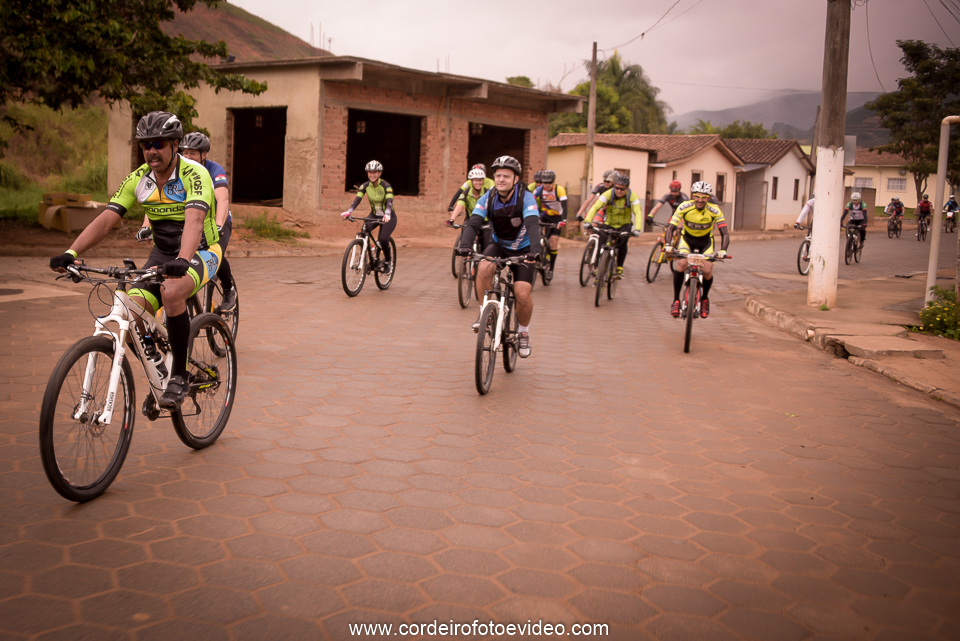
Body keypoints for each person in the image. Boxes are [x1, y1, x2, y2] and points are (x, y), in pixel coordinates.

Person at [50, 111, 219, 409]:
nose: (151, 151)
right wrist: (72, 253)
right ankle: (156, 364)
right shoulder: (139, 179)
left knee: (172, 292)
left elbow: (194, 221)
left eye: (158, 144)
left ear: (175, 145)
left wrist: (183, 258)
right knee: (130, 312)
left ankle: (179, 376)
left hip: (201, 251)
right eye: (145, 145)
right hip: (162, 255)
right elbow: (106, 219)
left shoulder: (195, 174)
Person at [137, 132, 237, 311]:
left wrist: (219, 223)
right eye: (185, 152)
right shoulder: (178, 169)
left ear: (204, 154)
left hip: (216, 218)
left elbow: (222, 199)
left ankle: (228, 288)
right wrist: (146, 225)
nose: (188, 156)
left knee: (215, 250)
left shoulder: (214, 170)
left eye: (193, 153)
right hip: (190, 217)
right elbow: (157, 202)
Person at [457, 155, 540, 358]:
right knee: (483, 268)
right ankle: (484, 312)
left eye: (506, 176)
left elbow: (532, 225)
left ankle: (523, 333)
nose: (501, 179)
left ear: (516, 179)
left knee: (522, 295)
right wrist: (465, 245)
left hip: (524, 250)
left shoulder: (526, 197)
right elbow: (474, 223)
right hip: (499, 245)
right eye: (498, 175)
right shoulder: (489, 197)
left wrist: (535, 250)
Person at [663, 181, 729, 319]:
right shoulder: (684, 206)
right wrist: (668, 244)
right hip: (687, 240)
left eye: (704, 197)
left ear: (709, 198)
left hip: (706, 242)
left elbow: (725, 233)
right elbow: (671, 228)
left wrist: (723, 250)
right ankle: (676, 300)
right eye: (697, 196)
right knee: (681, 264)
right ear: (693, 195)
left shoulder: (715, 210)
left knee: (707, 269)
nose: (700, 200)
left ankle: (704, 298)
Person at [583, 172, 642, 277]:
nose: (619, 191)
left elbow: (637, 212)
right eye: (617, 188)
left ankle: (619, 267)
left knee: (623, 242)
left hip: (624, 224)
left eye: (622, 189)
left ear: (627, 188)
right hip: (609, 223)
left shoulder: (632, 196)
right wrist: (587, 221)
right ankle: (598, 266)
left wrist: (638, 228)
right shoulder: (608, 194)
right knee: (601, 243)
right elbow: (596, 207)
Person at [341, 160, 396, 272]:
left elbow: (389, 201)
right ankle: (369, 251)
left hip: (388, 217)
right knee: (363, 232)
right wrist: (349, 211)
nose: (372, 174)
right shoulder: (365, 186)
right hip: (374, 215)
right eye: (370, 172)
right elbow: (357, 199)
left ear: (379, 173)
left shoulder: (386, 186)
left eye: (375, 172)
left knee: (383, 239)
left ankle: (388, 261)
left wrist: (387, 214)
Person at [532, 169, 568, 279]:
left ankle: (551, 269)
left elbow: (565, 206)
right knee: (537, 234)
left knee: (553, 242)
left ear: (554, 182)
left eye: (549, 183)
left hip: (557, 218)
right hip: (545, 215)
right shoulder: (539, 190)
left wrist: (564, 220)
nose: (547, 185)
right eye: (545, 183)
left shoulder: (559, 190)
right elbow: (531, 201)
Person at [447, 167, 493, 247]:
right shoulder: (466, 193)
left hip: (485, 222)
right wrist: (452, 219)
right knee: (465, 242)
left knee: (487, 246)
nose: (478, 183)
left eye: (480, 180)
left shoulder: (487, 193)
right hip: (470, 220)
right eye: (476, 180)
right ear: (471, 181)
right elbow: (460, 205)